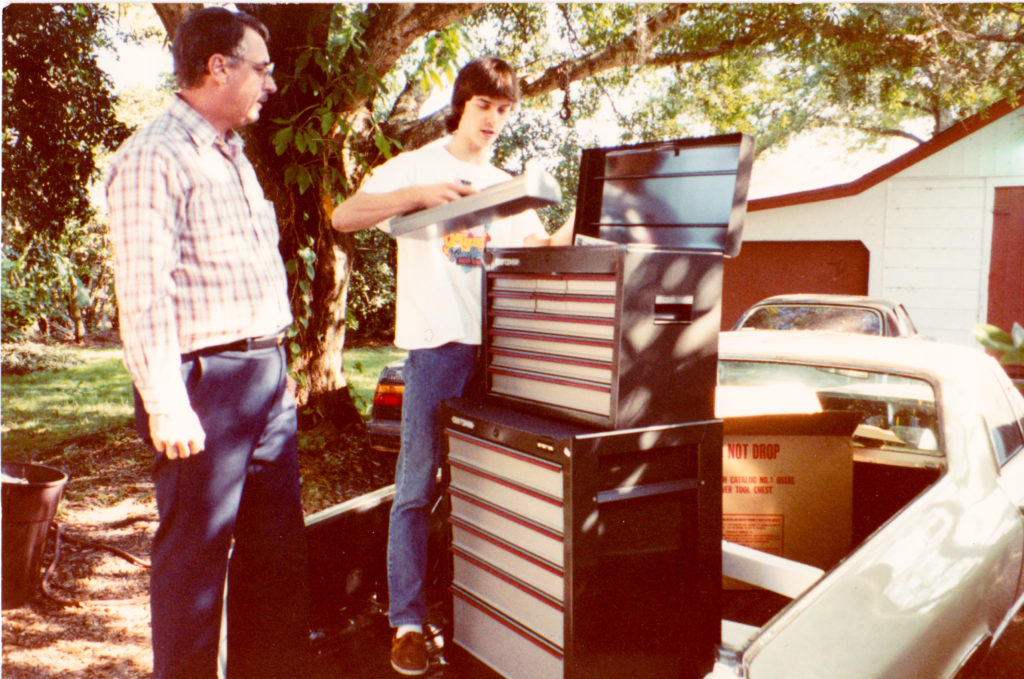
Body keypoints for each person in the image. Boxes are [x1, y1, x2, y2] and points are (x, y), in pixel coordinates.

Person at [331, 56, 572, 675]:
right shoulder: (417, 165)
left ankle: (486, 616)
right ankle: (407, 625)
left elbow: (543, 250)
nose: (494, 119)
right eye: (485, 106)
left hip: (501, 356)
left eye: (505, 109)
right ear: (462, 105)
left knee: (497, 490)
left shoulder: (504, 185)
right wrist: (416, 196)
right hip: (438, 351)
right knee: (415, 488)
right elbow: (344, 215)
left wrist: (588, 214)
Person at [105, 8, 308, 678]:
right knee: (195, 569)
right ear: (218, 66)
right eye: (262, 68)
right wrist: (165, 400)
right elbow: (142, 288)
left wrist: (277, 371)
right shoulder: (155, 154)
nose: (271, 84)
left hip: (265, 382)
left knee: (274, 561)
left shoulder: (233, 156)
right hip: (201, 388)